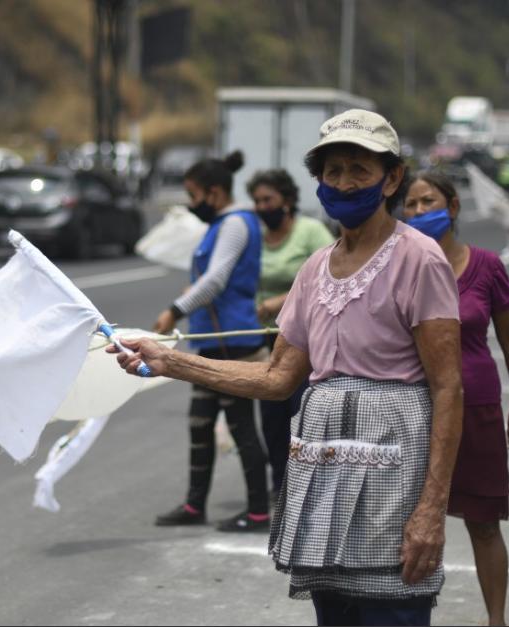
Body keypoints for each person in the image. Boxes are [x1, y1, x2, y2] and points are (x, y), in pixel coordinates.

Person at [113, 110, 463, 626]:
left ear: (391, 178)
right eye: (332, 170)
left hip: (395, 471)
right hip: (323, 466)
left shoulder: (420, 260)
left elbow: (449, 388)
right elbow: (277, 379)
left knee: (393, 607)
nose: (343, 181)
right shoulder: (315, 269)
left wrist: (431, 510)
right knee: (335, 611)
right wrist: (171, 361)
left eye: (359, 169)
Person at [403, 172, 509, 627]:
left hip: (476, 407)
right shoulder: (401, 266)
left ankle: (496, 620)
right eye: (410, 205)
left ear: (452, 207)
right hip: (415, 409)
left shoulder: (487, 265)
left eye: (428, 201)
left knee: (483, 521)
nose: (419, 212)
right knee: (408, 521)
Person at [150, 150, 271, 532]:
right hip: (213, 341)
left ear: (214, 192)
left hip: (233, 341)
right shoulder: (222, 222)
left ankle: (257, 512)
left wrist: (174, 310)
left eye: (194, 194)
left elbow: (216, 280)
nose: (191, 203)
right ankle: (194, 505)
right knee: (200, 423)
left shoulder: (236, 223)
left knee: (240, 425)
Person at [247, 169, 335, 502]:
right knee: (271, 415)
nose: (262, 206)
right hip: (267, 339)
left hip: (307, 340)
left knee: (302, 410)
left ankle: (309, 483)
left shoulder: (311, 232)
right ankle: (279, 484)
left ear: (286, 200)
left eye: (268, 199)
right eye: (256, 201)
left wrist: (277, 303)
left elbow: (330, 276)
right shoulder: (255, 238)